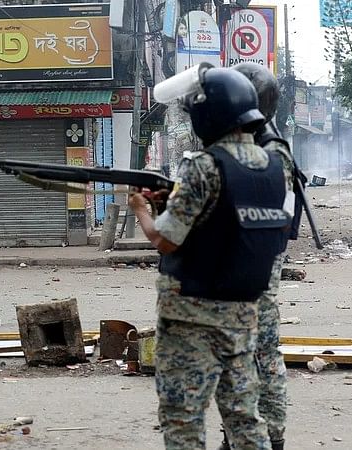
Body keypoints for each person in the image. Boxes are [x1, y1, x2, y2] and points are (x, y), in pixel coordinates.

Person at [130, 64, 292, 449]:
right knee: (244, 417)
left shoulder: (202, 166)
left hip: (192, 317)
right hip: (242, 314)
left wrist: (141, 210)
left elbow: (166, 240)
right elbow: (226, 216)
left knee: (183, 419)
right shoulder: (275, 165)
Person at [216, 62, 301, 450]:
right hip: (245, 262)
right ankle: (237, 435)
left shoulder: (269, 152)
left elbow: (249, 211)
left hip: (258, 267)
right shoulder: (255, 144)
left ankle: (272, 437)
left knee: (261, 353)